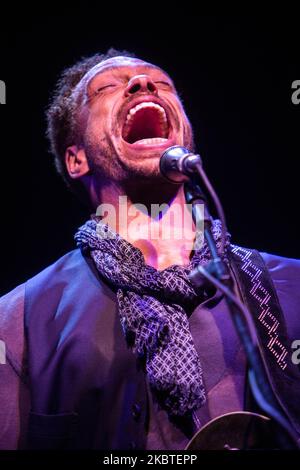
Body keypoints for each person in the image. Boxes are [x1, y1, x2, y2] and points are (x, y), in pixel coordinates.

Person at [0, 49, 299, 451]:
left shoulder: (291, 286)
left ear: (186, 135)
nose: (142, 84)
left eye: (161, 83)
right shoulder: (19, 320)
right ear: (76, 159)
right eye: (108, 86)